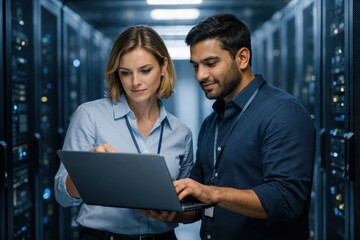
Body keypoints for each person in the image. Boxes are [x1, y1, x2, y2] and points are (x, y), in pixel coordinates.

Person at [144, 13, 316, 240]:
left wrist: (213, 193)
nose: (201, 75)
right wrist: (170, 211)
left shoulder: (282, 113)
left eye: (211, 63)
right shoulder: (211, 123)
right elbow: (199, 202)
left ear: (242, 58)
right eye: (196, 66)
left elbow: (287, 200)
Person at [54, 25, 194, 240]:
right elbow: (62, 196)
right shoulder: (89, 115)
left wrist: (176, 211)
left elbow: (187, 205)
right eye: (125, 73)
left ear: (164, 66)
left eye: (145, 70)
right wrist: (86, 171)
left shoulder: (181, 133)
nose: (135, 82)